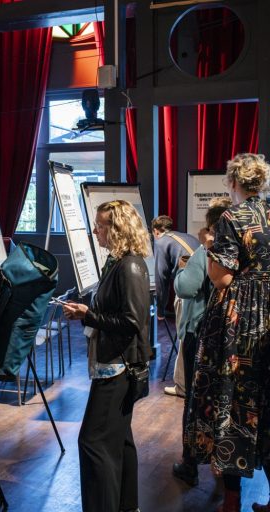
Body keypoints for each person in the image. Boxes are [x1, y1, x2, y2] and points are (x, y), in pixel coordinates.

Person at [184, 153, 270, 512]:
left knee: (232, 401)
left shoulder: (232, 218)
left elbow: (221, 279)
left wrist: (209, 250)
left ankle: (231, 500)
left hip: (241, 321)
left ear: (233, 182)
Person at [63, 200, 151, 512]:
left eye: (100, 226)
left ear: (118, 229)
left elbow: (131, 321)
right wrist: (87, 313)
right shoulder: (120, 263)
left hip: (118, 367)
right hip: (116, 365)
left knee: (93, 442)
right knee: (119, 440)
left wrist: (88, 315)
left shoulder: (129, 266)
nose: (95, 231)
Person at [170, 198, 232, 486]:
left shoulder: (204, 252)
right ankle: (225, 466)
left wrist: (181, 270)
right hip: (229, 335)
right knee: (225, 401)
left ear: (210, 226)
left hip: (200, 333)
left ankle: (190, 463)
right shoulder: (240, 251)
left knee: (194, 401)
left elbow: (185, 288)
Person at [151, 215, 199, 398]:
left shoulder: (161, 242)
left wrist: (160, 309)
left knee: (183, 336)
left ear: (155, 231)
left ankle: (182, 386)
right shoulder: (185, 236)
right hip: (203, 290)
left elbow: (161, 277)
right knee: (193, 336)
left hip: (186, 291)